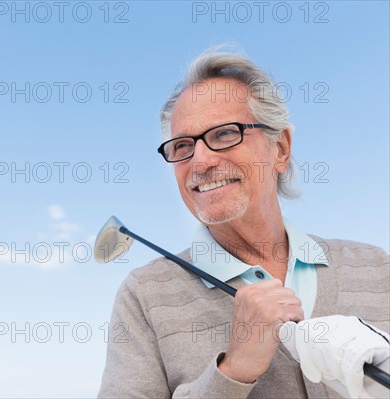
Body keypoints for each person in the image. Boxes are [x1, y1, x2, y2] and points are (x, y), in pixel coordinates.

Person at [97, 47, 390, 398]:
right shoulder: (145, 295)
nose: (200, 161)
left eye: (224, 134)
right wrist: (234, 370)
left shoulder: (377, 268)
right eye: (182, 145)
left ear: (280, 149)